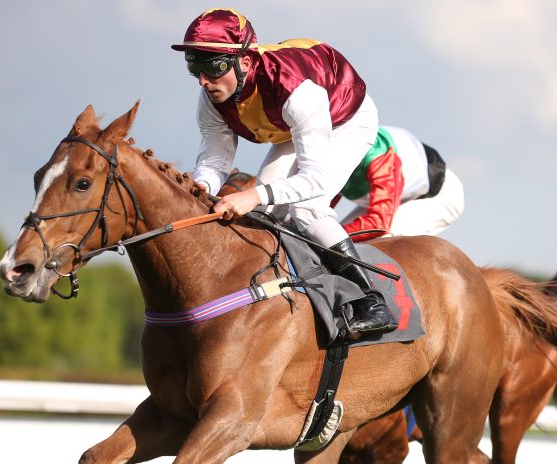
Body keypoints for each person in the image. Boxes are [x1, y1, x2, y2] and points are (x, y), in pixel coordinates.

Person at [171, 8, 397, 335]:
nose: (204, 80)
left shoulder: (295, 91)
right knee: (263, 214)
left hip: (344, 120)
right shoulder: (212, 97)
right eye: (195, 67)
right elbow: (214, 162)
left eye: (214, 67)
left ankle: (372, 300)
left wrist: (252, 194)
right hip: (292, 128)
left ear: (244, 62)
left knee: (307, 209)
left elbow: (315, 179)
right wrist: (200, 190)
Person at [330, 126, 464, 242]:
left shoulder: (377, 155)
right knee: (327, 247)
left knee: (366, 242)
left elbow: (379, 225)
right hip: (391, 196)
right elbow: (320, 211)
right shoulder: (327, 159)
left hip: (439, 197)